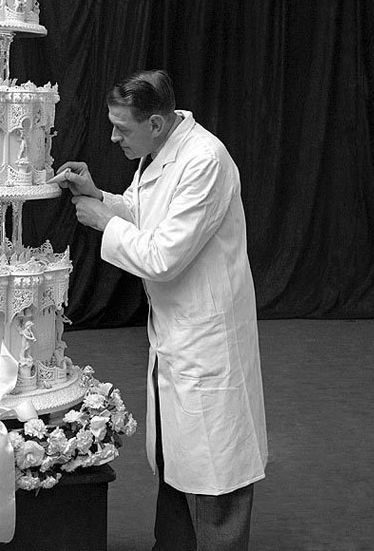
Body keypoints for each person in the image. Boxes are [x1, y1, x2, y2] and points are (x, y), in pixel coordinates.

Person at [55, 69, 267, 551]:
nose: (112, 138)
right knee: (178, 456)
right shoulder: (161, 150)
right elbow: (144, 212)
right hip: (176, 332)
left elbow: (164, 256)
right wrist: (99, 197)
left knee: (216, 467)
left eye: (121, 128)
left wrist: (105, 224)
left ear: (155, 122)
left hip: (207, 339)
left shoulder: (205, 160)